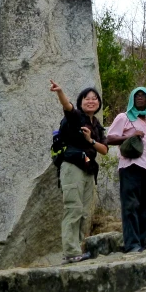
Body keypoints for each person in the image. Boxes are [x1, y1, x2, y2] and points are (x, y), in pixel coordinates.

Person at [49, 80, 108, 264]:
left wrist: (90, 140)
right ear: (81, 102)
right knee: (73, 209)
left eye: (94, 99)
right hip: (72, 165)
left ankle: (77, 248)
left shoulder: (96, 125)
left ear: (99, 103)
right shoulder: (77, 117)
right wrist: (60, 92)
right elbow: (67, 107)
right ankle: (70, 252)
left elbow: (104, 150)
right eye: (86, 98)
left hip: (88, 168)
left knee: (83, 212)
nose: (91, 101)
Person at [106, 87, 146, 253]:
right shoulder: (123, 117)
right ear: (132, 99)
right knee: (130, 206)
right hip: (131, 167)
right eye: (137, 95)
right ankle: (132, 245)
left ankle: (141, 243)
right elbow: (109, 138)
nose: (140, 98)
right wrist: (130, 136)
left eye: (144, 96)